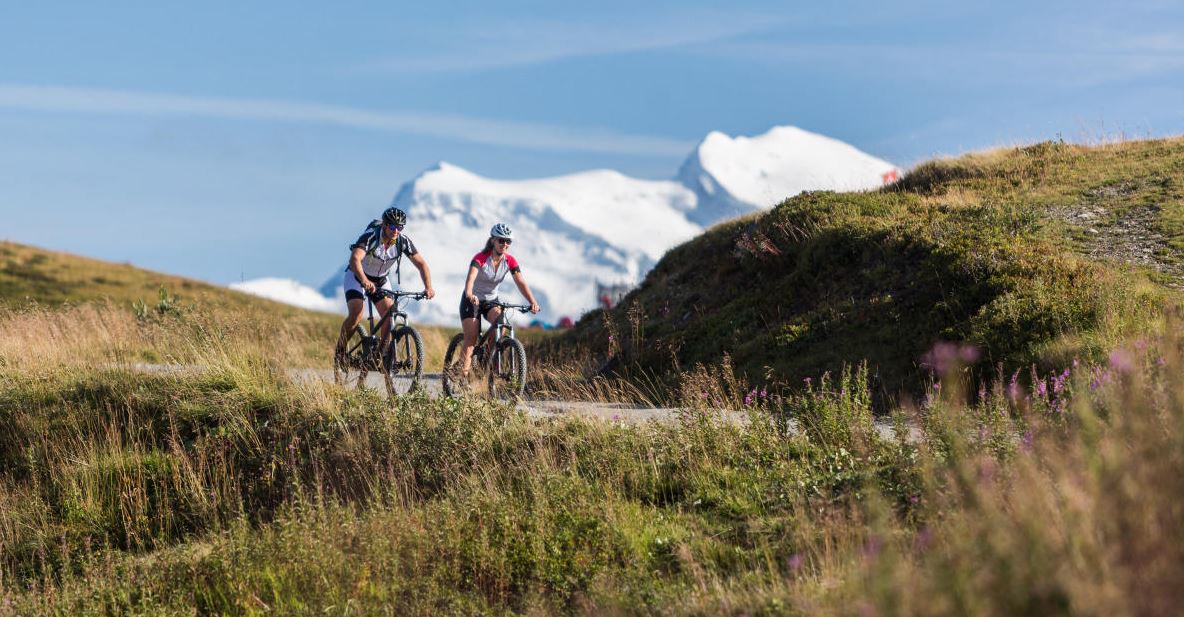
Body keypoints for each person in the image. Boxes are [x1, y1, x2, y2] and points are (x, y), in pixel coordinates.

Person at [336, 207, 435, 360]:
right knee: (356, 312)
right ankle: (340, 351)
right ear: (384, 225)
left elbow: (421, 264)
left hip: (381, 279)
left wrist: (428, 287)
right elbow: (355, 259)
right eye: (393, 227)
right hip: (357, 275)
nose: (396, 231)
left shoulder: (403, 242)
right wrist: (364, 280)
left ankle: (382, 355)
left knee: (390, 315)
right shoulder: (371, 237)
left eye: (400, 227)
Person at [457, 223, 540, 379]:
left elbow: (521, 282)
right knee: (471, 338)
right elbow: (470, 280)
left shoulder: (510, 261)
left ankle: (485, 361)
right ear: (493, 241)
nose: (505, 244)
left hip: (491, 300)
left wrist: (532, 301)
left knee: (500, 325)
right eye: (501, 240)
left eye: (508, 241)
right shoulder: (480, 258)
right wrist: (469, 294)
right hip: (472, 300)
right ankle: (462, 378)